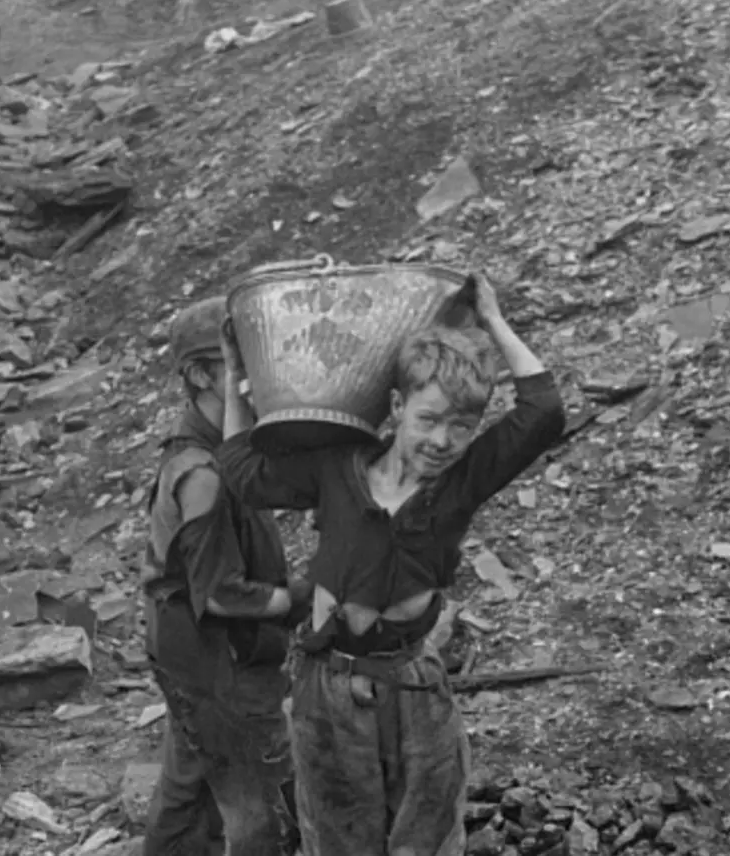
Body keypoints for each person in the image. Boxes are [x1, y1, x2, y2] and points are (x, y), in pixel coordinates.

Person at [216, 275, 566, 856]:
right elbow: (242, 472)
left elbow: (544, 408)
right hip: (326, 687)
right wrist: (235, 382)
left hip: (413, 688)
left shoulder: (462, 483)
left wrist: (492, 320)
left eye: (461, 426)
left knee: (424, 838)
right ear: (398, 407)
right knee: (337, 837)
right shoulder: (338, 468)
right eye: (428, 419)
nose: (442, 440)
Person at [141, 296, 308, 856]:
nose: (260, 378)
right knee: (262, 806)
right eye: (240, 365)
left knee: (190, 787)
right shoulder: (203, 474)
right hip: (220, 668)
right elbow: (218, 594)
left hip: (195, 661)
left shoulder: (222, 452)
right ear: (199, 375)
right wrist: (298, 599)